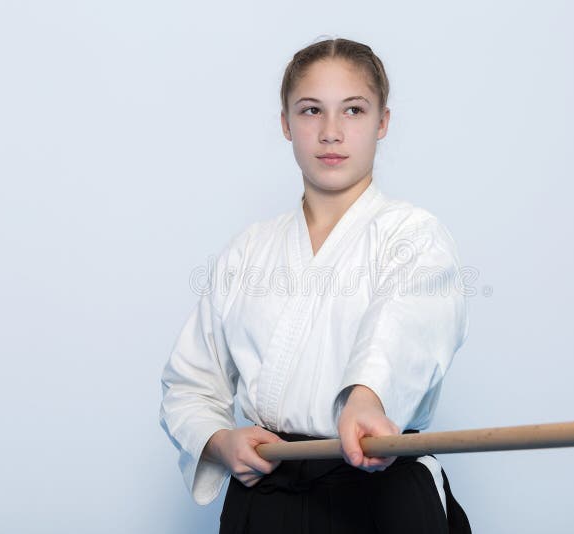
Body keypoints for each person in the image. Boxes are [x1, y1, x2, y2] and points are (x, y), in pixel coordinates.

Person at [159, 36, 472, 533]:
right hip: (265, 500)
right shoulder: (247, 251)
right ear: (285, 124)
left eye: (353, 110)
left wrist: (368, 399)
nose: (331, 132)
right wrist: (221, 441)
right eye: (310, 111)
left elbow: (407, 325)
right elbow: (190, 384)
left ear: (382, 122)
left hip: (380, 499)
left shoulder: (413, 236)